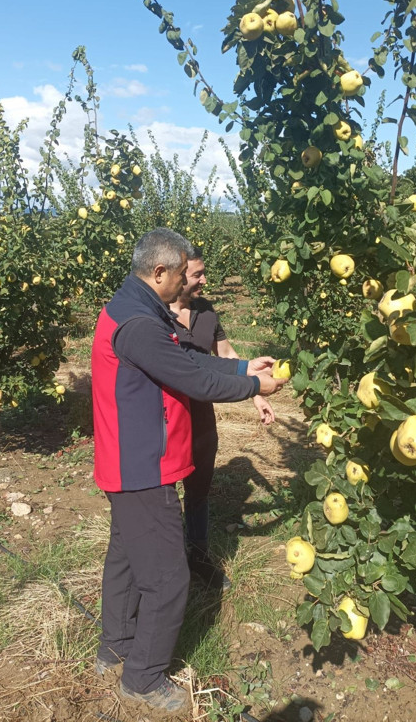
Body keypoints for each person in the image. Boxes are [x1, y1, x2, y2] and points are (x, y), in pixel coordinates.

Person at [91, 228, 286, 714]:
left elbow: (188, 357)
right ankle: (142, 678)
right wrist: (255, 386)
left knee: (126, 557)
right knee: (167, 577)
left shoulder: (138, 308)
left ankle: (114, 648)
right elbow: (192, 378)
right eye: (182, 274)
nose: (187, 283)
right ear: (159, 272)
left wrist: (242, 369)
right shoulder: (136, 322)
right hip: (142, 466)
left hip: (130, 460)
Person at [169, 247, 275, 591]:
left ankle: (198, 557)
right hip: (168, 423)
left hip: (201, 420)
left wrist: (256, 394)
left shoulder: (206, 311)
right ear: (177, 274)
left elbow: (226, 355)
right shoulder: (155, 317)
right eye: (197, 274)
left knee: (198, 492)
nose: (204, 280)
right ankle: (169, 565)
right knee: (165, 496)